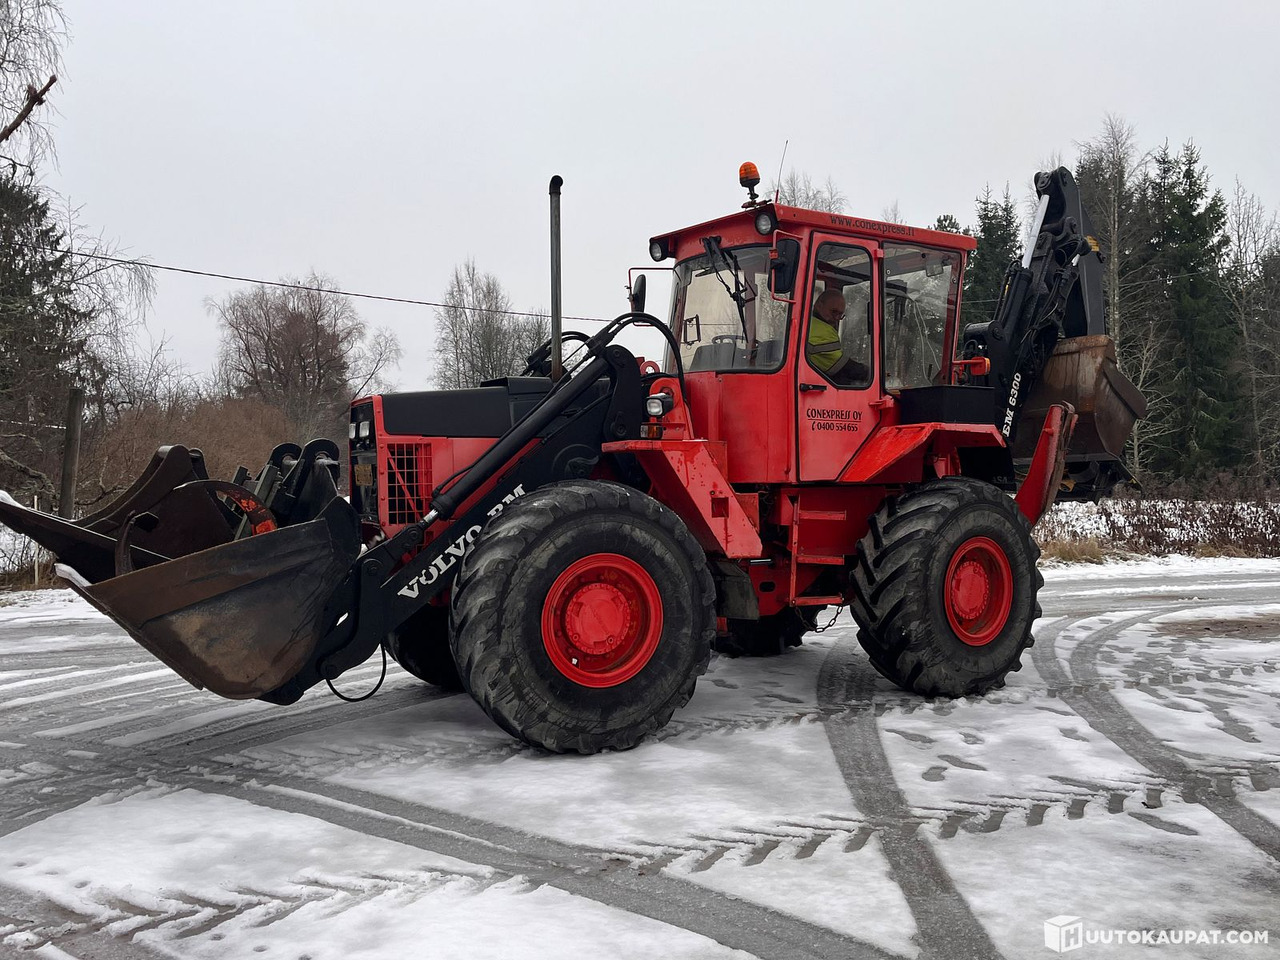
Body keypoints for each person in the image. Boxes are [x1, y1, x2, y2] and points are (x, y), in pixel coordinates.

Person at [807, 288, 868, 383]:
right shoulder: (821, 330)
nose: (836, 318)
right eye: (834, 312)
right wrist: (869, 373)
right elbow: (842, 367)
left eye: (840, 315)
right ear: (819, 306)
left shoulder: (808, 322)